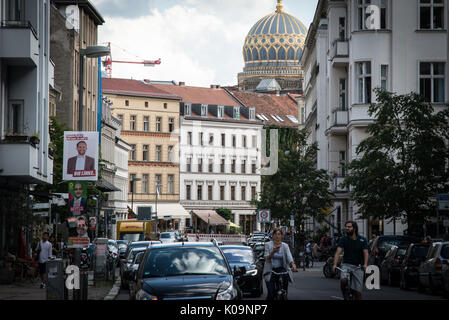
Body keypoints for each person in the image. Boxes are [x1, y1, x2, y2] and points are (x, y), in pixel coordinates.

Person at [332, 221, 369, 300]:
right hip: (346, 264)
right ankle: (344, 295)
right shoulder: (343, 239)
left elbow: (366, 253)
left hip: (358, 266)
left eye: (349, 227)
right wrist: (335, 265)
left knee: (358, 293)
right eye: (346, 227)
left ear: (354, 228)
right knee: (343, 280)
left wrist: (365, 264)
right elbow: (337, 253)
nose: (347, 228)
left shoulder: (362, 239)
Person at [263, 228, 298, 300]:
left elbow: (289, 256)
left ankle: (284, 294)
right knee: (271, 293)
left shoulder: (285, 246)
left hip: (282, 270)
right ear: (272, 236)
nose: (277, 236)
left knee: (284, 290)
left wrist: (293, 265)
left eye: (279, 234)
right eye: (275, 234)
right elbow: (267, 258)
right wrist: (273, 251)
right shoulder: (268, 245)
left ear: (282, 236)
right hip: (270, 270)